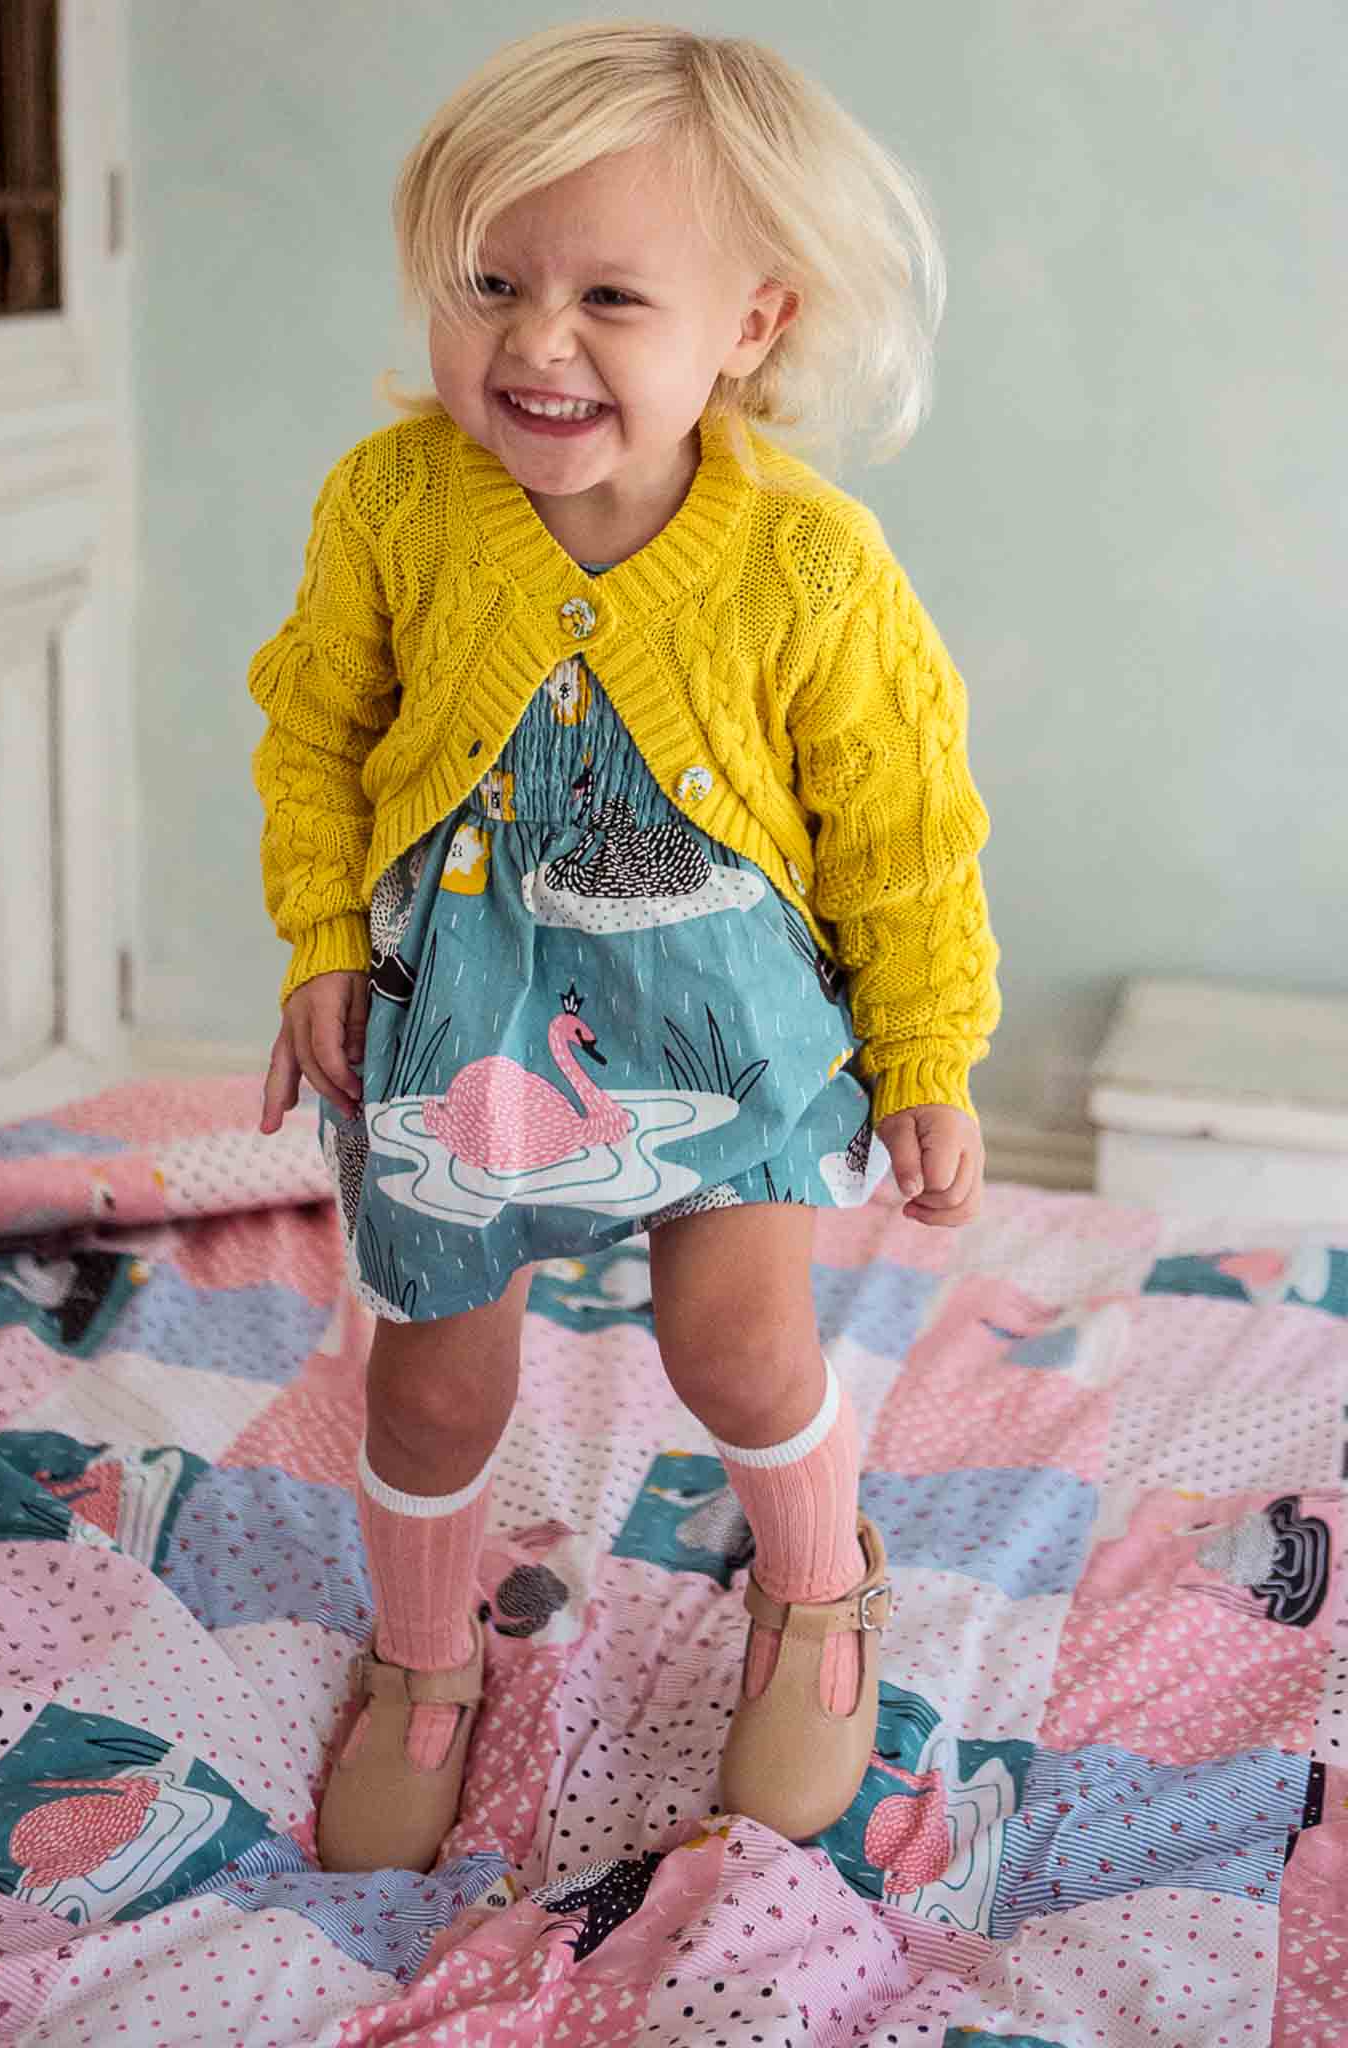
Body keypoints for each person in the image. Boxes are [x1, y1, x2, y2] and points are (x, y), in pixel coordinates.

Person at [248, 21, 1000, 1875]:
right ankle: (426, 1656)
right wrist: (322, 936)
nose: (533, 341)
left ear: (749, 324)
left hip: (724, 1024)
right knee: (433, 1378)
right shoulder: (392, 506)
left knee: (735, 1346)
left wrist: (923, 1052)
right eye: (489, 281)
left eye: (606, 295)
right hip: (465, 1011)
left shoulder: (808, 565)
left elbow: (904, 829)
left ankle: (818, 1599)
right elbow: (317, 731)